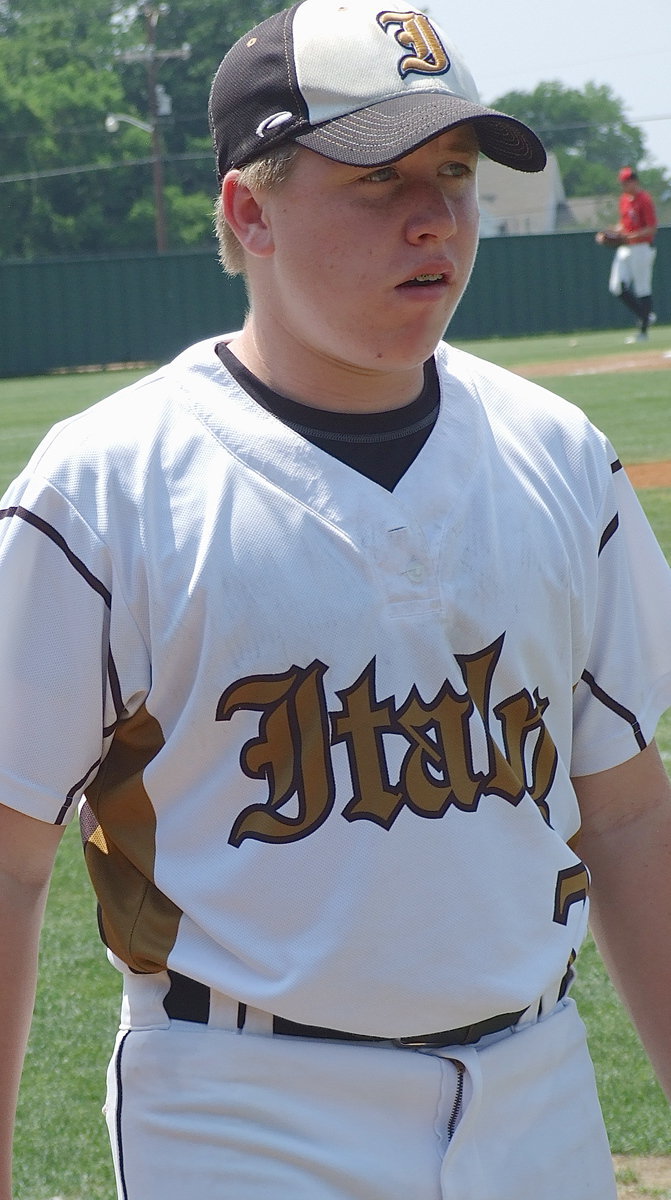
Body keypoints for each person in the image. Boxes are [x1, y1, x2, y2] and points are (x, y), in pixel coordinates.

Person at [1, 3, 671, 1198]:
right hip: (240, 1109)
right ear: (248, 210)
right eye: (378, 179)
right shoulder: (104, 489)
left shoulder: (559, 459)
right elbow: (8, 861)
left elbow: (621, 816)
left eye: (454, 174)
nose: (434, 218)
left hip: (538, 1091)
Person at [596, 165, 658, 343]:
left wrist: (627, 236)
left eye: (626, 182)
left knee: (642, 288)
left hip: (642, 248)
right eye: (622, 182)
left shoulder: (644, 199)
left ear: (634, 181)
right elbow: (623, 225)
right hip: (626, 247)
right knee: (616, 286)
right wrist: (608, 233)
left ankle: (643, 332)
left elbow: (651, 229)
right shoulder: (624, 199)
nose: (623, 185)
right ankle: (645, 315)